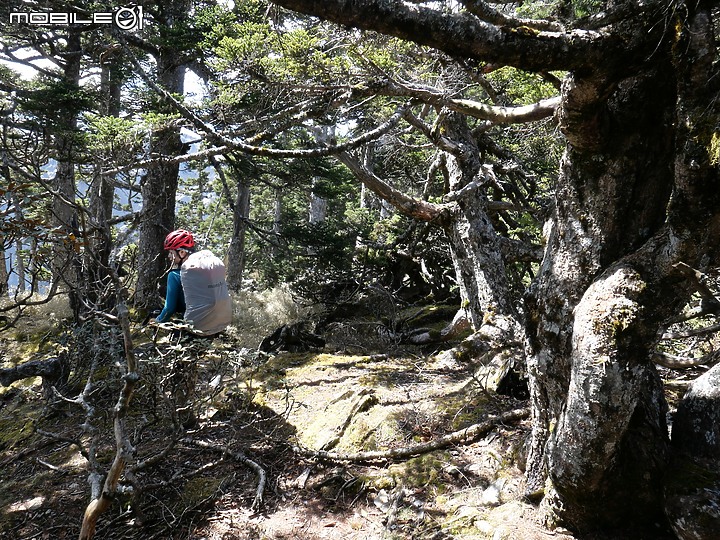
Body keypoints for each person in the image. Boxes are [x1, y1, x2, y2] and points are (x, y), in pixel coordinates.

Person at [153, 229, 232, 337]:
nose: (169, 257)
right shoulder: (204, 270)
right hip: (219, 322)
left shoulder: (175, 275)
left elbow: (169, 309)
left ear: (182, 252)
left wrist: (157, 322)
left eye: (171, 253)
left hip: (195, 327)